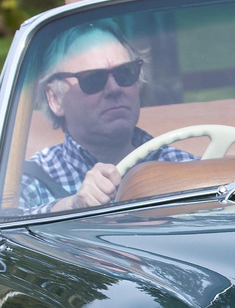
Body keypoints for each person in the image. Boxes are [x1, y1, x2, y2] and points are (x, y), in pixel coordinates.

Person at [17, 22, 193, 216]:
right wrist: (71, 206)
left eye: (125, 73)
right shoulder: (30, 179)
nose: (114, 89)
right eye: (93, 78)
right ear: (55, 99)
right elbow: (6, 223)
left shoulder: (184, 167)